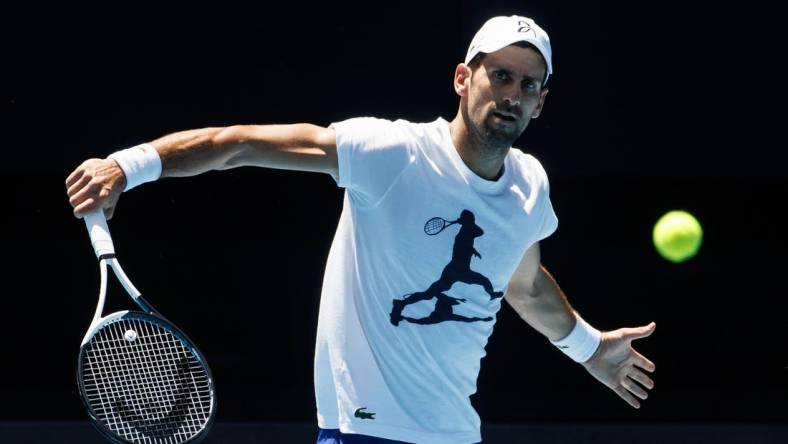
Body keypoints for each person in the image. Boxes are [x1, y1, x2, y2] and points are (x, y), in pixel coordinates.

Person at [66, 15, 656, 444]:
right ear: (462, 79)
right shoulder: (391, 151)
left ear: (541, 103)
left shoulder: (530, 186)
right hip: (362, 432)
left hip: (457, 433)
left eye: (528, 86)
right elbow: (238, 145)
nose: (512, 94)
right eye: (500, 75)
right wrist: (129, 164)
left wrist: (587, 347)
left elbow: (523, 286)